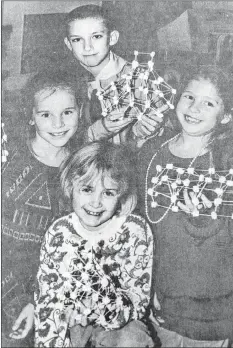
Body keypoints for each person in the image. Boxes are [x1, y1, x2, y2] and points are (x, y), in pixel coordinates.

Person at [138, 65, 233, 346]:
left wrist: (204, 223)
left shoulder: (225, 163)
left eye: (209, 103)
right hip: (161, 302)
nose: (195, 108)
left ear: (225, 116)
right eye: (189, 97)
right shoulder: (151, 151)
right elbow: (145, 225)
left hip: (212, 310)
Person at [34, 141, 157, 348]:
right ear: (71, 186)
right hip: (72, 322)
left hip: (120, 323)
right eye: (87, 189)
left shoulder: (135, 230)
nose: (96, 202)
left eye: (108, 192)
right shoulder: (59, 232)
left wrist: (97, 309)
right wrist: (68, 314)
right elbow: (48, 301)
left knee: (133, 340)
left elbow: (138, 303)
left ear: (122, 194)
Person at [1, 70, 83, 347]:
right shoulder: (8, 160)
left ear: (80, 112)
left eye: (67, 112)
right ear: (30, 116)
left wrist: (41, 300)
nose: (58, 123)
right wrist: (18, 298)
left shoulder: (86, 168)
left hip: (56, 297)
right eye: (46, 114)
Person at [64, 4, 165, 145]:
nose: (87, 47)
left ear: (112, 38)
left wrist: (141, 134)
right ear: (68, 44)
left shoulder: (138, 81)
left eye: (96, 36)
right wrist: (97, 131)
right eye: (77, 39)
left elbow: (162, 134)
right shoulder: (65, 80)